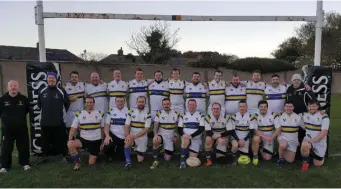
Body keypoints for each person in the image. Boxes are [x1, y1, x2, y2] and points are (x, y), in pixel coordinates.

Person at [38, 72, 70, 163]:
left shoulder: (61, 91)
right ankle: (45, 156)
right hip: (45, 121)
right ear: (47, 79)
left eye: (53, 78)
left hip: (59, 121)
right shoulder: (42, 90)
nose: (51, 80)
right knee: (45, 140)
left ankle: (64, 155)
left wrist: (60, 114)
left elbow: (67, 104)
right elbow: (39, 104)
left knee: (61, 139)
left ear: (56, 80)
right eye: (49, 78)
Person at [0, 80, 30, 173]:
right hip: (7, 129)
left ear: (18, 87)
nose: (13, 87)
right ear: (8, 87)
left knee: (23, 146)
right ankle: (5, 166)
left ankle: (24, 163)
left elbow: (26, 111)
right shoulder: (2, 99)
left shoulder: (24, 99)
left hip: (21, 128)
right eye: (11, 86)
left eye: (15, 86)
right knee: (6, 147)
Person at [67, 97, 105, 170]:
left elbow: (102, 129)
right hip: (83, 139)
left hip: (96, 140)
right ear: (85, 104)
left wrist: (102, 141)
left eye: (90, 102)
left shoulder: (100, 113)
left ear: (94, 103)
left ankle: (91, 155)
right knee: (70, 144)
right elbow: (73, 128)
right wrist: (70, 138)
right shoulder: (79, 114)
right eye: (87, 102)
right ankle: (77, 163)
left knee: (91, 163)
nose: (89, 104)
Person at [286, 73, 316, 160]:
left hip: (303, 115)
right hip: (292, 115)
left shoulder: (305, 89)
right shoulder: (289, 89)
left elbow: (313, 100)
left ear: (300, 81)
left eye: (298, 80)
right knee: (294, 133)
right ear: (292, 81)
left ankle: (305, 152)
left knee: (304, 133)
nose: (296, 81)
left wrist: (319, 110)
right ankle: (295, 152)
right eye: (294, 80)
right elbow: (287, 101)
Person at [300, 101, 329, 171]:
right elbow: (292, 115)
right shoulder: (303, 115)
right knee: (305, 145)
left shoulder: (324, 116)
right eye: (310, 106)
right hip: (309, 138)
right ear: (307, 107)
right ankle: (305, 162)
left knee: (317, 164)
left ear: (318, 107)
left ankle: (312, 154)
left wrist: (313, 141)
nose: (311, 108)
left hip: (320, 141)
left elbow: (324, 132)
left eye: (314, 106)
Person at [150, 98, 179, 169]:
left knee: (167, 158)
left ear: (170, 104)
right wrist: (155, 135)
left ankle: (163, 148)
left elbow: (177, 127)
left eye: (167, 104)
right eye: (164, 104)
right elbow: (156, 126)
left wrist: (176, 136)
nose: (166, 105)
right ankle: (155, 160)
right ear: (162, 105)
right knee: (155, 140)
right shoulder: (159, 113)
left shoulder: (176, 113)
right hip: (161, 135)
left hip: (170, 137)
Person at [123, 96, 151, 169]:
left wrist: (136, 136)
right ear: (136, 102)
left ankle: (136, 148)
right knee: (127, 142)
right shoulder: (131, 112)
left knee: (140, 160)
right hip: (132, 136)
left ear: (145, 103)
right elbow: (126, 126)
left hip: (142, 137)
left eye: (142, 102)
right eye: (139, 102)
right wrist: (128, 136)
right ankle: (128, 162)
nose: (141, 103)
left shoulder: (147, 114)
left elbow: (146, 129)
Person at [251, 100, 280, 166]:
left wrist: (271, 138)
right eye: (261, 107)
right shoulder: (255, 116)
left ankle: (261, 149)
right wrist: (266, 137)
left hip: (270, 138)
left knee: (267, 158)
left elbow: (278, 129)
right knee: (255, 138)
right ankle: (255, 156)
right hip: (261, 137)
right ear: (258, 108)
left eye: (265, 106)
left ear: (267, 107)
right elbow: (255, 130)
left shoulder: (273, 115)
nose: (263, 108)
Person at [178, 99, 205, 169]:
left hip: (196, 139)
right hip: (186, 137)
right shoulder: (183, 115)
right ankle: (182, 161)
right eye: (190, 105)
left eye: (193, 105)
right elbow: (179, 129)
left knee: (193, 160)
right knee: (185, 139)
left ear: (196, 106)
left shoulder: (201, 115)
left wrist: (191, 136)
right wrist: (184, 135)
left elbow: (201, 129)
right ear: (187, 106)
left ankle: (185, 152)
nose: (191, 106)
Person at [276, 101, 302, 167]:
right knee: (283, 145)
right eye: (287, 106)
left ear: (293, 107)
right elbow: (277, 130)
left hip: (293, 141)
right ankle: (280, 159)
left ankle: (281, 152)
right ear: (284, 107)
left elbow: (306, 127)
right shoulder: (279, 116)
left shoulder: (298, 117)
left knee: (290, 160)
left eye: (290, 106)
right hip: (283, 138)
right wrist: (279, 138)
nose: (288, 108)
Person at [103, 97, 129, 162]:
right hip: (113, 135)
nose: (120, 103)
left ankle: (117, 151)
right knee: (107, 144)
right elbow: (106, 125)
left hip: (124, 136)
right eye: (118, 101)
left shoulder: (129, 111)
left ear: (124, 102)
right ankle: (109, 155)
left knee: (121, 158)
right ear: (115, 102)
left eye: (121, 101)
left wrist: (128, 136)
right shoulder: (111, 111)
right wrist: (107, 136)